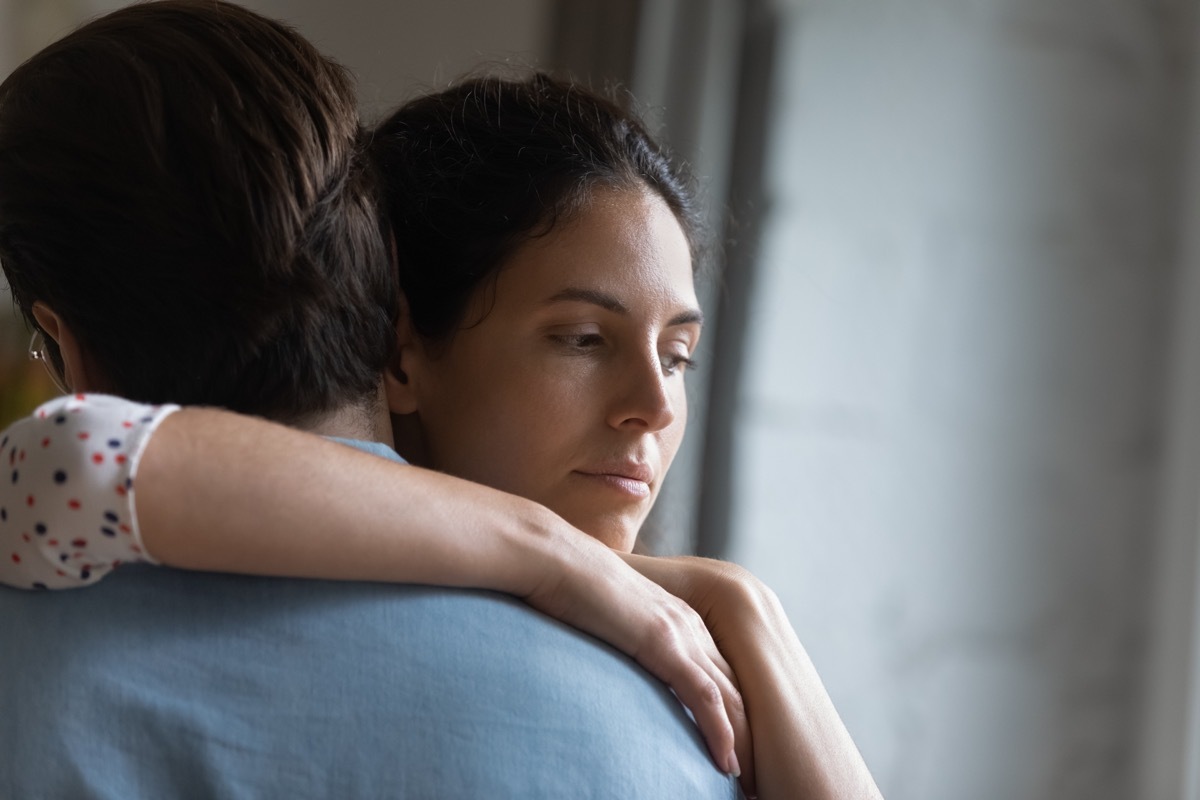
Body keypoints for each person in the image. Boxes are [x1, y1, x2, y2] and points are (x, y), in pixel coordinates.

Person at [0, 3, 742, 797]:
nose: (655, 407)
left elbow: (67, 462)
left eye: (680, 356)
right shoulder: (685, 712)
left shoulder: (27, 622)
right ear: (396, 322)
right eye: (581, 339)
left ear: (63, 340)